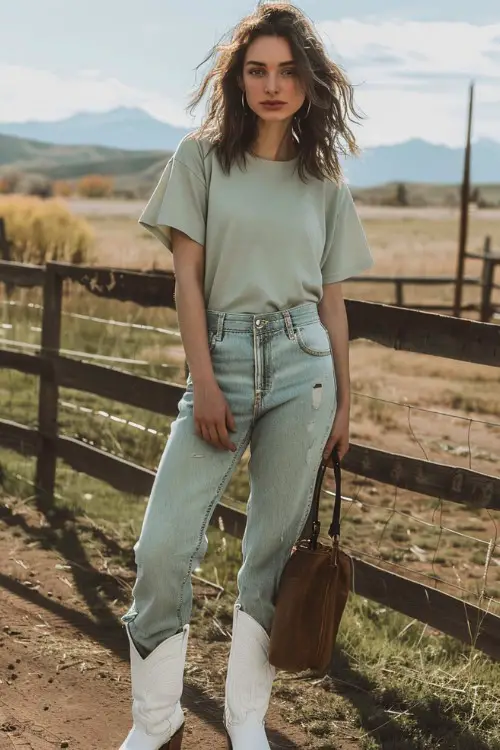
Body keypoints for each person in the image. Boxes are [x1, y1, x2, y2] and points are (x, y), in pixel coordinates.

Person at [119, 3, 374, 749]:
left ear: (308, 82)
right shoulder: (199, 158)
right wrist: (204, 382)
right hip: (221, 357)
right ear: (238, 79)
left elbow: (333, 305)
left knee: (268, 554)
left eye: (288, 70)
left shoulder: (324, 177)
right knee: (163, 548)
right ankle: (156, 722)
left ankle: (244, 723)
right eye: (257, 69)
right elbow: (187, 282)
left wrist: (343, 407)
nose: (273, 84)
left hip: (306, 369)